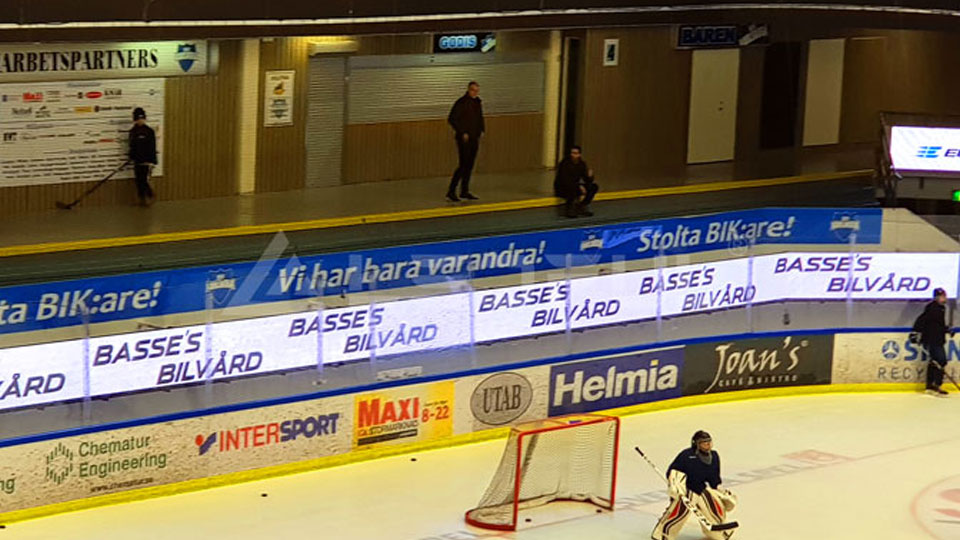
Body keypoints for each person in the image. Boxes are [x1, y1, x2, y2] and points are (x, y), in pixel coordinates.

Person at [652, 431, 737, 540]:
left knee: (715, 508)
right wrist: (675, 485)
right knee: (680, 513)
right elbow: (672, 471)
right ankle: (662, 534)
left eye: (709, 442)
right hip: (686, 489)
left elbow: (713, 479)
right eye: (704, 443)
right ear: (696, 444)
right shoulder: (686, 455)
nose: (708, 445)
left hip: (700, 488)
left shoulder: (714, 456)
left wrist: (721, 490)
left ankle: (719, 533)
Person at [446, 81, 484, 202]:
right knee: (463, 164)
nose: (475, 93)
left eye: (477, 91)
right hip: (464, 139)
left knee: (470, 165)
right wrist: (462, 132)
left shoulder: (477, 102)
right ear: (468, 90)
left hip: (474, 137)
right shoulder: (461, 103)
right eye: (473, 90)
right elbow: (452, 118)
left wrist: (481, 130)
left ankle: (464, 190)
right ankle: (451, 191)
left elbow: (479, 117)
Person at [912, 287, 954, 396]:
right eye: (941, 296)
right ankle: (936, 385)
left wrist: (947, 330)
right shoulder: (932, 308)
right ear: (936, 297)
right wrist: (915, 332)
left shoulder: (941, 308)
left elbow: (938, 324)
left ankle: (930, 386)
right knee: (941, 360)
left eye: (944, 296)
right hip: (932, 339)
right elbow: (921, 320)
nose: (944, 298)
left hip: (939, 339)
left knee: (934, 362)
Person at [554, 145, 599, 218]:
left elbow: (586, 180)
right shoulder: (565, 163)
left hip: (576, 185)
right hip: (563, 187)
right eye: (572, 153)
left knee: (593, 187)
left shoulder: (581, 164)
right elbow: (564, 180)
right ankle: (570, 209)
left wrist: (590, 176)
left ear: (579, 154)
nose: (574, 155)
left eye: (576, 153)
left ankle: (583, 205)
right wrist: (579, 185)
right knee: (572, 187)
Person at [128, 107, 158, 207]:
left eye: (142, 118)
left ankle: (150, 196)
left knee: (145, 181)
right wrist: (131, 156)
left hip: (147, 161)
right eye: (138, 119)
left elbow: (152, 146)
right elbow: (131, 146)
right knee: (138, 181)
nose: (140, 121)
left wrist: (153, 161)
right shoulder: (132, 132)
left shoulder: (149, 131)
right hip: (137, 161)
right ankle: (141, 199)